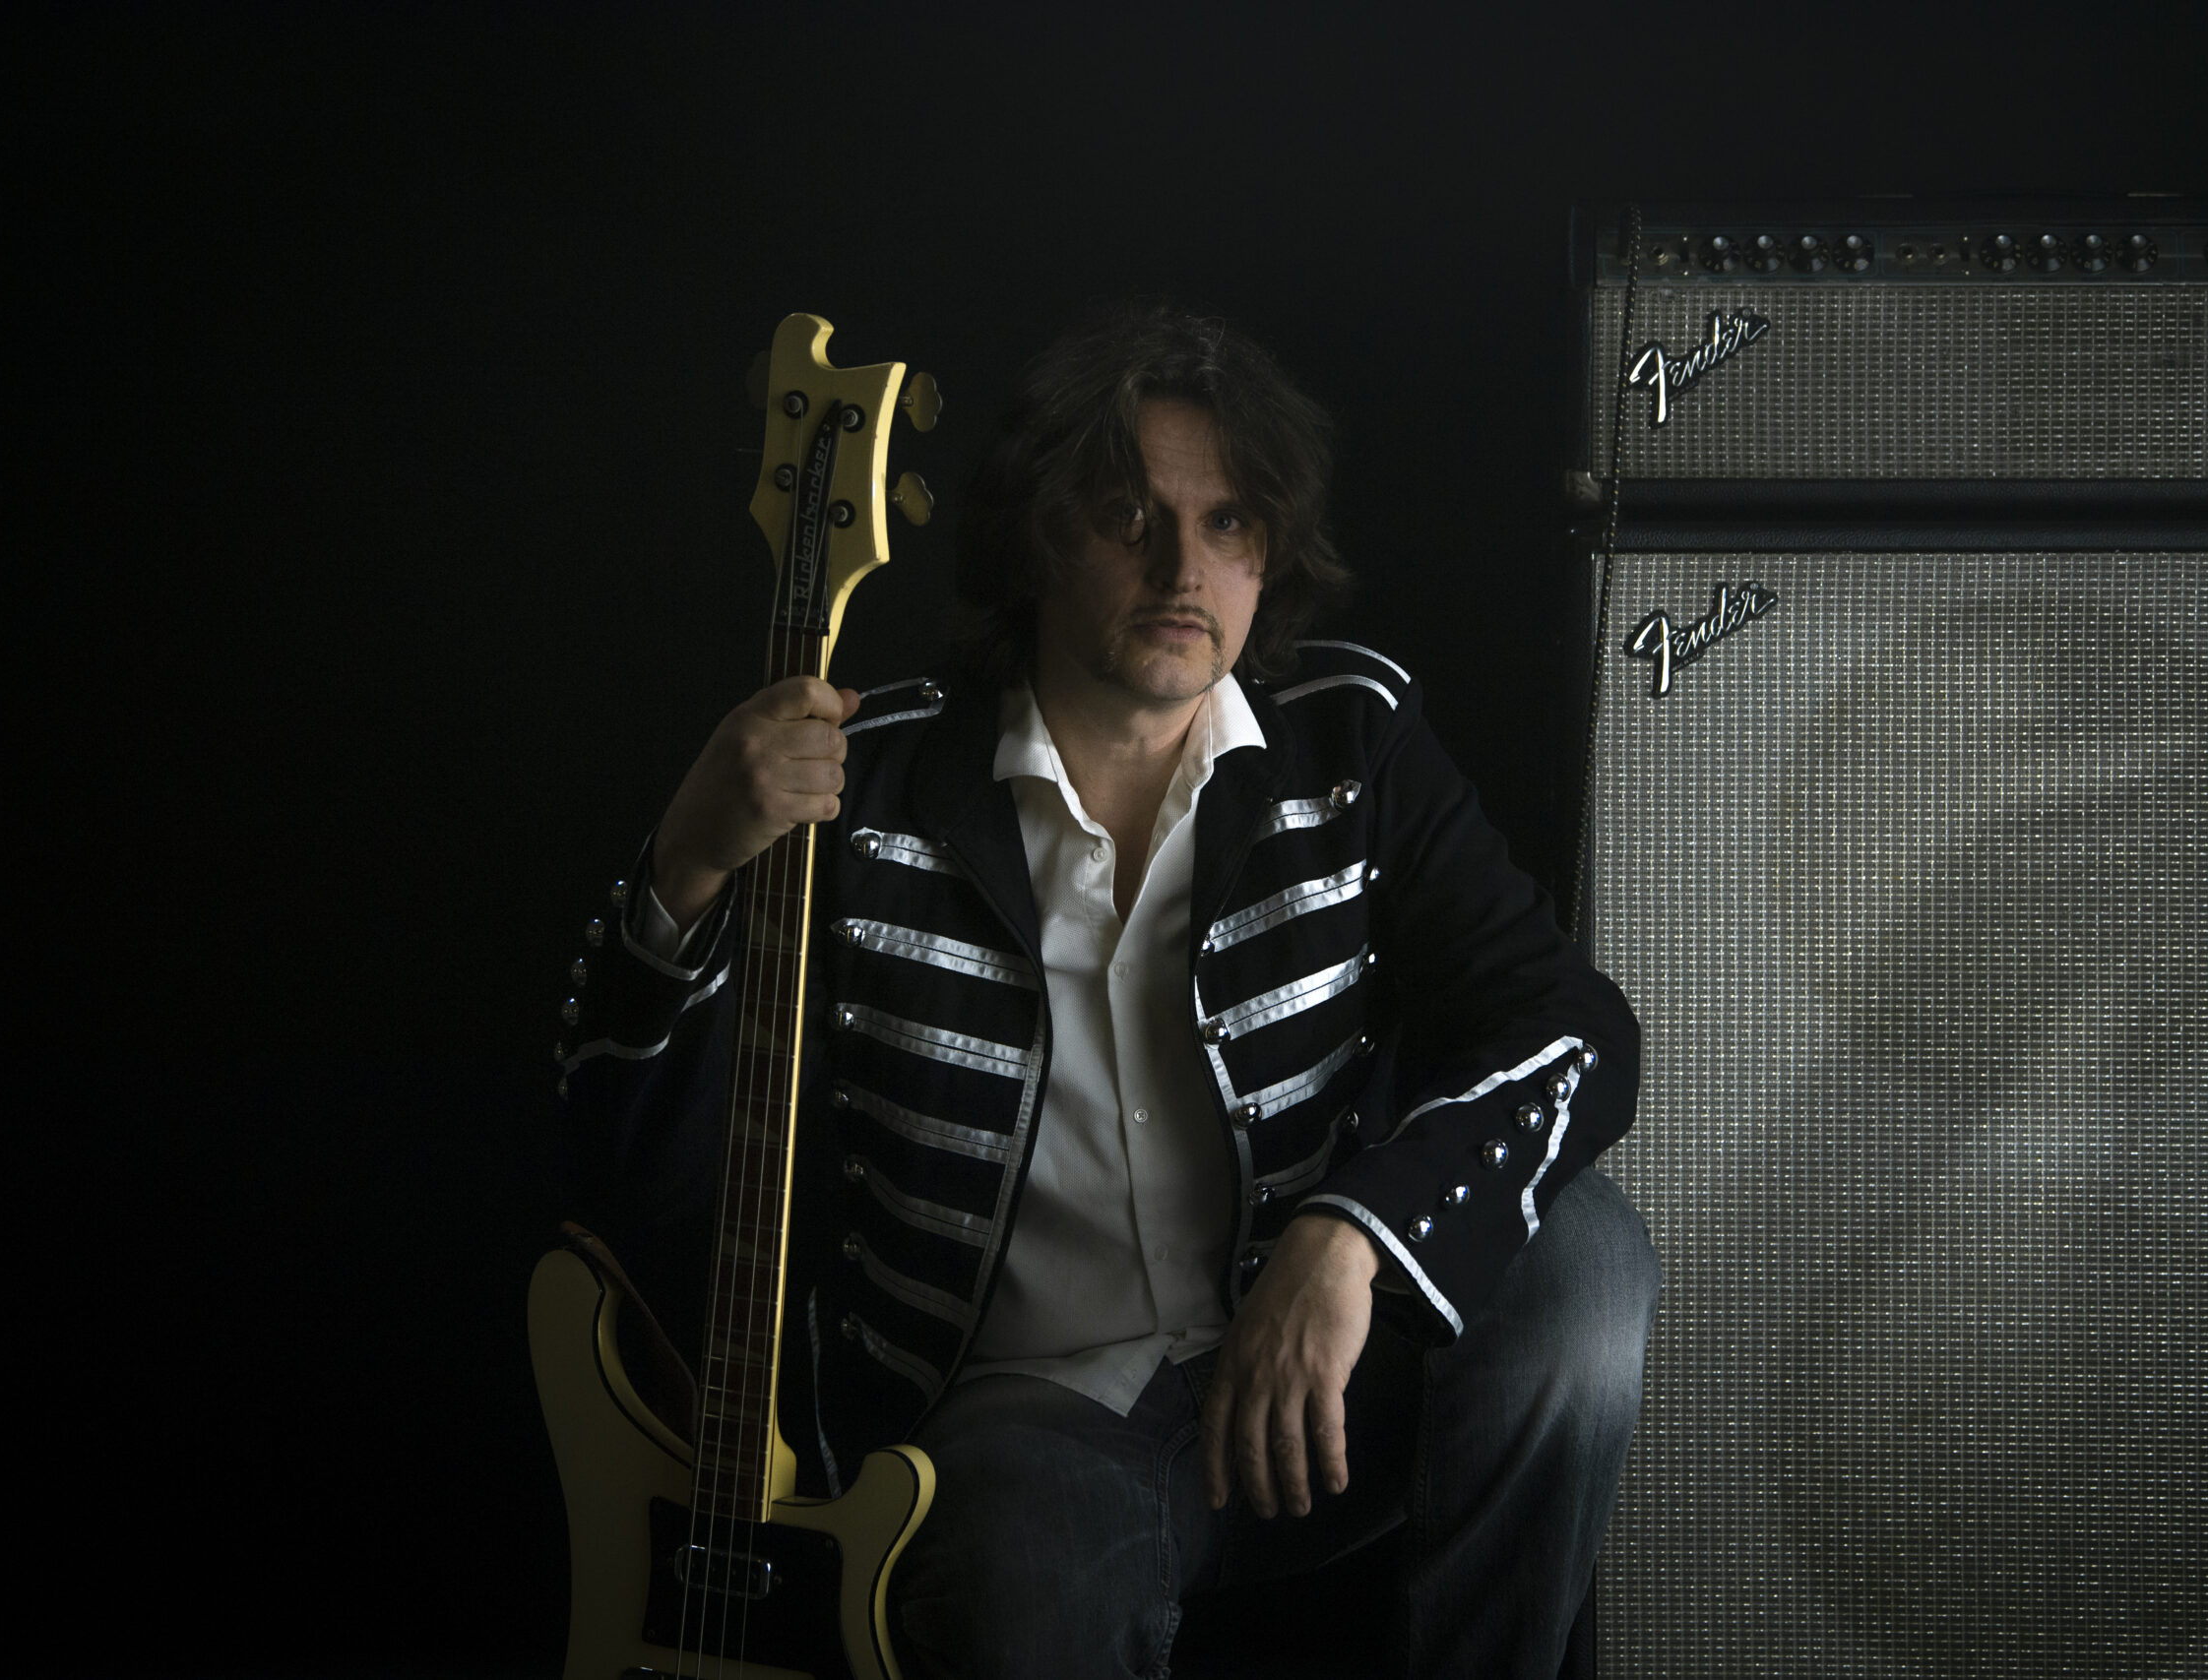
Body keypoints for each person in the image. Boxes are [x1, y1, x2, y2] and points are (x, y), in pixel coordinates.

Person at [555, 302, 1662, 1679]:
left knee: (1585, 1264)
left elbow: (1571, 1028)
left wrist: (1352, 1235)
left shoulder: (1352, 741)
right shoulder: (867, 787)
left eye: (1228, 521)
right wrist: (687, 865)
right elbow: (636, 1173)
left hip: (1319, 1379)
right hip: (1028, 1423)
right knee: (1026, 1584)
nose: (1183, 568)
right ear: (1037, 535)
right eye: (1130, 517)